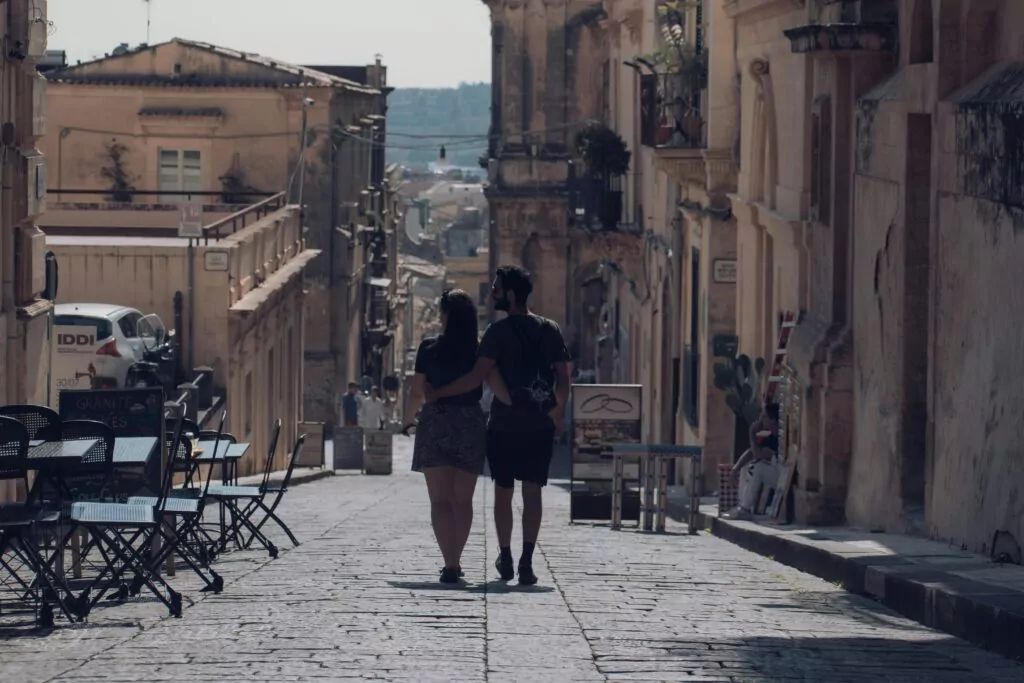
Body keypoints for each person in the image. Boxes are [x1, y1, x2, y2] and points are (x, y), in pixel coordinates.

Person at [427, 265, 570, 586]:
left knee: (503, 493)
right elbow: (564, 377)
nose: (491, 292)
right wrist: (555, 413)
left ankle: (505, 555)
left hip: (504, 425)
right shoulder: (550, 329)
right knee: (533, 493)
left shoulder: (497, 333)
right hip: (538, 425)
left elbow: (477, 377)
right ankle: (526, 562)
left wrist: (438, 393)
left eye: (496, 287)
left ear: (510, 294)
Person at [404, 289, 511, 584]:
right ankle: (456, 560)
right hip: (469, 423)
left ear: (447, 315)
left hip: (435, 422)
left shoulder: (428, 348)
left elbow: (416, 391)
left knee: (439, 501)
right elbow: (500, 389)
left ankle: (449, 563)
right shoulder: (480, 351)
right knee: (462, 501)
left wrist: (406, 419)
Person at [724, 403, 782, 520]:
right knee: (748, 466)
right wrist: (736, 468)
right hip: (777, 475)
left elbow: (757, 455)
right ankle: (742, 505)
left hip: (784, 480)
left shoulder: (781, 436)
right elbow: (751, 452)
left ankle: (744, 509)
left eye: (764, 417)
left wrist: (752, 433)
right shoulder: (770, 437)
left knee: (758, 467)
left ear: (772, 420)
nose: (761, 420)